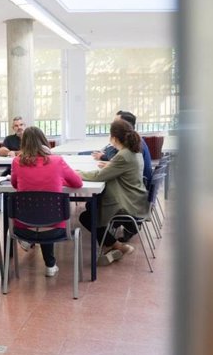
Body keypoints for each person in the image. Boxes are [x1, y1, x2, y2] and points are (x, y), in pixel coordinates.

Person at [10, 127, 83, 277]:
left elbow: (15, 184)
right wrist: (60, 179)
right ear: (44, 141)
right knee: (46, 215)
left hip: (23, 227)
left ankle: (29, 242)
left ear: (24, 144)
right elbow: (78, 183)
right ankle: (50, 265)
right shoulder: (57, 161)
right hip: (55, 228)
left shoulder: (17, 162)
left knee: (38, 212)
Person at [78, 120, 149, 265]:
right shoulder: (134, 151)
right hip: (136, 198)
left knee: (87, 216)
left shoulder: (123, 155)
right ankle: (113, 246)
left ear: (115, 138)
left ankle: (113, 246)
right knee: (92, 208)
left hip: (128, 203)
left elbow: (99, 176)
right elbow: (120, 168)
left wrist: (78, 174)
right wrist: (111, 165)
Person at [92, 110, 152, 187]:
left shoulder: (134, 144)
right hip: (136, 184)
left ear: (124, 125)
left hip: (135, 186)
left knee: (100, 189)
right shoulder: (134, 140)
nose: (113, 125)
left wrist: (107, 154)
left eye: (116, 122)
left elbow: (114, 157)